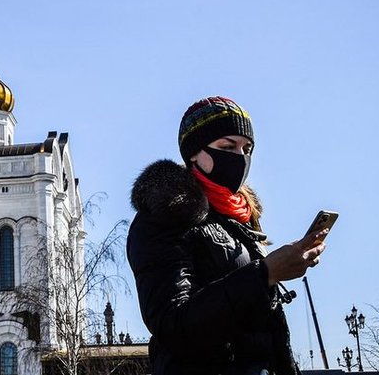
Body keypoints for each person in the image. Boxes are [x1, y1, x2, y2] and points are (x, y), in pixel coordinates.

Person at [127, 96, 327, 375]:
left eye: (248, 148)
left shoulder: (240, 219)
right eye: (227, 146)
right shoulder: (164, 214)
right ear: (194, 153)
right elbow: (172, 324)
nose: (240, 158)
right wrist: (265, 274)